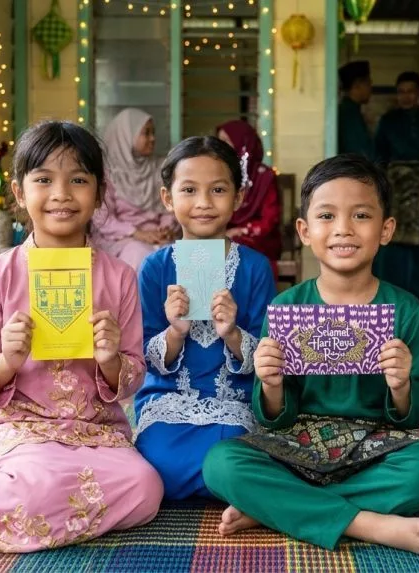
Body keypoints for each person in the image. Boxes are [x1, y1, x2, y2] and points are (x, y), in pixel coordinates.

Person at [0, 121, 163, 552]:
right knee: (37, 486)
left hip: (93, 430)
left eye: (79, 180)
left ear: (100, 193)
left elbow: (133, 376)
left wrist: (110, 359)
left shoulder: (121, 277)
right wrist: (6, 361)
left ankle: (19, 503)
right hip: (17, 427)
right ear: (19, 192)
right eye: (44, 180)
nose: (61, 194)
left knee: (145, 489)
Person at [202, 154, 419, 561]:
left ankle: (278, 508)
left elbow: (417, 416)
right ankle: (366, 523)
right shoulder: (286, 307)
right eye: (326, 216)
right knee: (221, 463)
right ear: (304, 230)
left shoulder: (404, 310)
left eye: (361, 215)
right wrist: (271, 384)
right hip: (296, 443)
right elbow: (272, 418)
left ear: (386, 229)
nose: (343, 229)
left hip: (374, 445)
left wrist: (401, 385)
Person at [134, 136, 277, 500]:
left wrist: (232, 333)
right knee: (156, 463)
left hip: (233, 405)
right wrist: (174, 332)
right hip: (168, 403)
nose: (203, 203)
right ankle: (238, 494)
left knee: (229, 453)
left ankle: (233, 486)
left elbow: (270, 356)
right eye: (189, 190)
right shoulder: (154, 268)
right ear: (167, 198)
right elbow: (142, 357)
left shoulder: (255, 268)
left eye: (217, 190)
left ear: (238, 197)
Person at [373, 71, 419, 303]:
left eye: (410, 91)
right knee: (393, 238)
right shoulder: (388, 120)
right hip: (395, 186)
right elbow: (379, 155)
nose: (405, 96)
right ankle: (392, 299)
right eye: (401, 92)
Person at [92, 108, 178, 270]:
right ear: (126, 136)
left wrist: (165, 229)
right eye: (146, 133)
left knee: (172, 254)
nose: (152, 138)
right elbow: (103, 220)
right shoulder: (107, 173)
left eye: (153, 132)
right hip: (121, 239)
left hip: (157, 236)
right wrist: (138, 233)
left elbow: (168, 207)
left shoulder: (159, 168)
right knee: (140, 255)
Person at [216, 120, 282, 279]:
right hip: (223, 236)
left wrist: (241, 231)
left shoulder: (264, 177)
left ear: (242, 143)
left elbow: (270, 219)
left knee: (237, 250)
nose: (220, 147)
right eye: (219, 141)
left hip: (259, 239)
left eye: (226, 141)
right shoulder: (219, 175)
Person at [337, 60, 374, 158]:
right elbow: (360, 151)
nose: (371, 88)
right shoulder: (349, 114)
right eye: (368, 84)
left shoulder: (349, 110)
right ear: (357, 85)